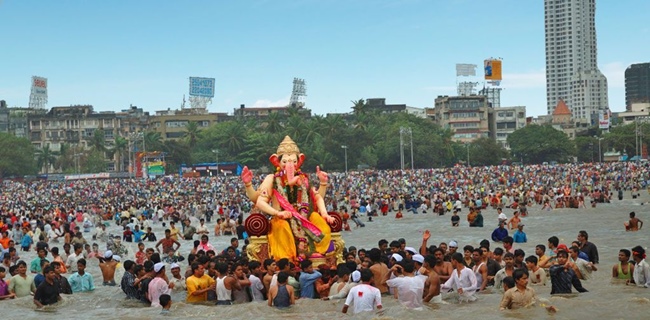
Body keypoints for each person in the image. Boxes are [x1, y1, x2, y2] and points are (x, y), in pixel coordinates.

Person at [242, 136, 334, 262]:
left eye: (293, 162)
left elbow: (317, 198)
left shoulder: (303, 179)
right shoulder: (272, 178)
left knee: (319, 222)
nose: (289, 165)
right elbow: (258, 201)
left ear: (299, 161)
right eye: (285, 162)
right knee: (283, 228)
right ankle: (288, 261)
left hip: (304, 217)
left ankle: (317, 254)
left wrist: (324, 210)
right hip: (282, 217)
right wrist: (248, 185)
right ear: (277, 162)